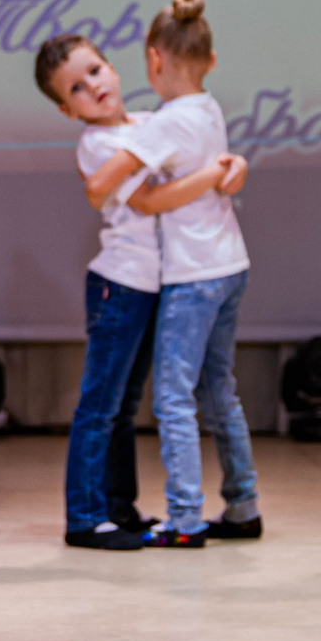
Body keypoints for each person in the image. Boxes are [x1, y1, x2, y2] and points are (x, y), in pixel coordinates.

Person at [37, 33, 247, 552]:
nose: (93, 86)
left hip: (155, 284)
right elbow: (149, 200)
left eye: (95, 70)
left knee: (125, 405)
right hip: (121, 285)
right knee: (101, 404)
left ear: (113, 68)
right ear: (67, 110)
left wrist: (232, 166)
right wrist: (212, 176)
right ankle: (84, 517)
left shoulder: (151, 122)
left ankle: (118, 508)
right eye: (76, 88)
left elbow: (203, 153)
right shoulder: (97, 145)